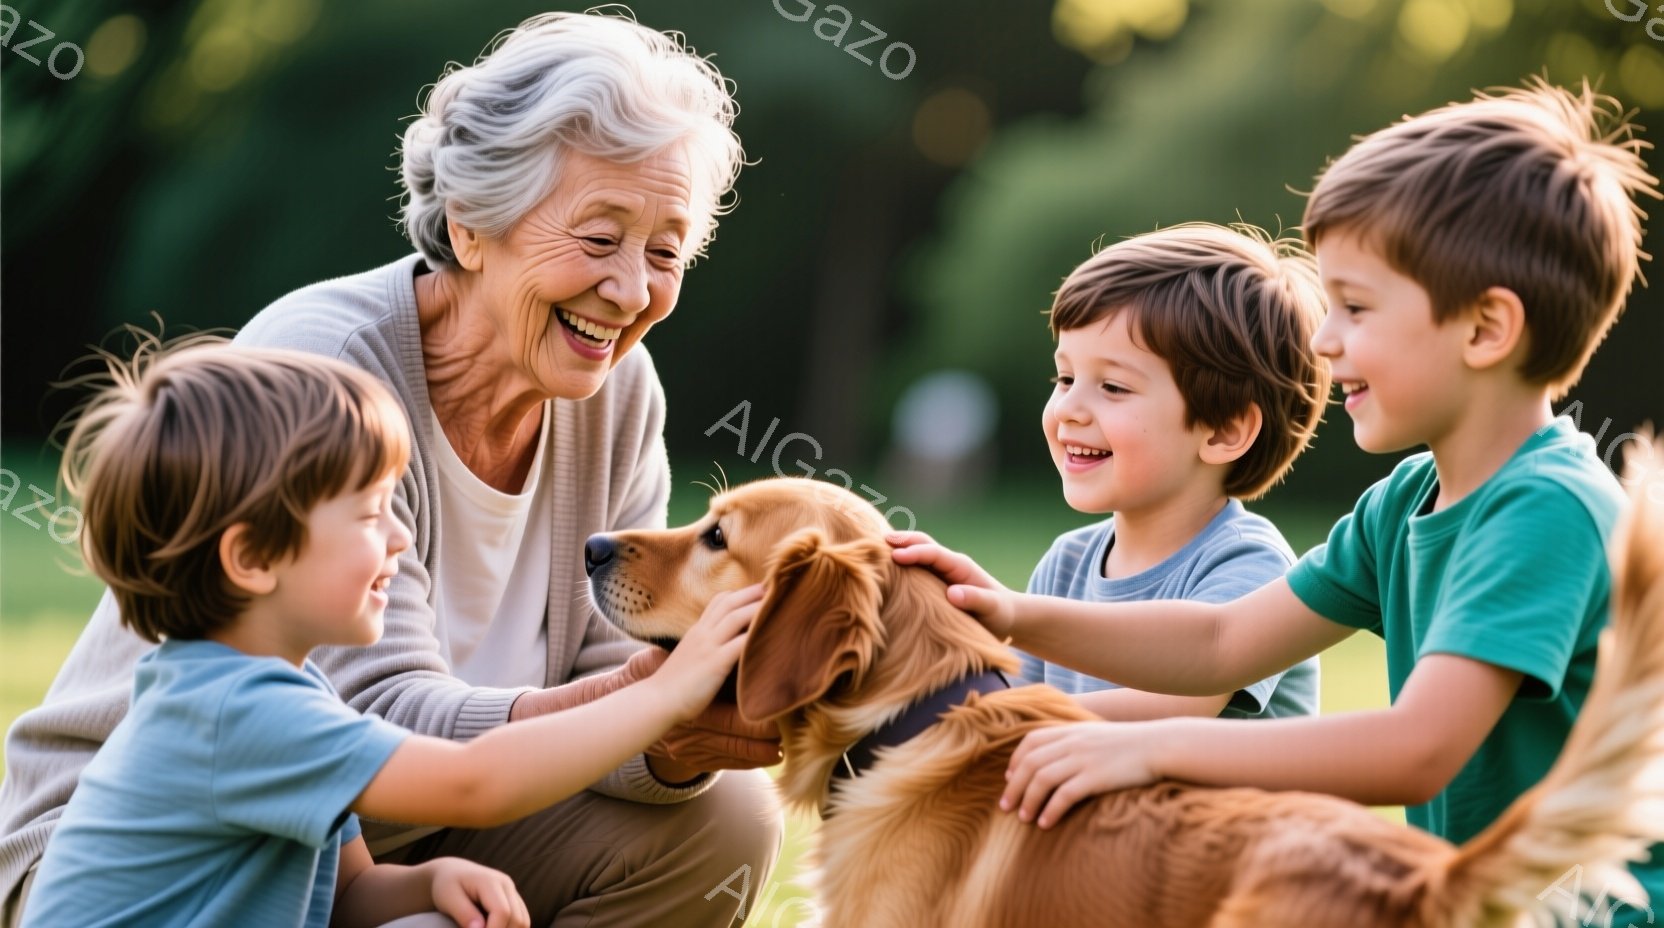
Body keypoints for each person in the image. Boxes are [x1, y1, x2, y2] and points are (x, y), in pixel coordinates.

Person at [1, 13, 781, 927]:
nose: (631, 290)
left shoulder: (616, 387)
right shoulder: (327, 378)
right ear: (472, 224)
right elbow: (414, 738)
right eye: (600, 237)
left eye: (664, 251)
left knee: (721, 820)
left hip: (372, 833)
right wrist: (666, 695)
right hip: (172, 873)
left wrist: (688, 723)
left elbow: (615, 669)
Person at [893, 81, 1662, 923]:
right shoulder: (1405, 500)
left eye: (1357, 307)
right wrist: (1010, 613)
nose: (1326, 341)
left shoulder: (1545, 506)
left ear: (1486, 329)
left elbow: (1417, 751)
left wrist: (1148, 746)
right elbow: (1224, 640)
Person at [21, 343, 759, 928]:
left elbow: (347, 897)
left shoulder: (281, 690)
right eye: (372, 514)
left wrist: (428, 880)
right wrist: (665, 693)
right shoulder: (232, 711)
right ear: (251, 558)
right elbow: (480, 782)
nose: (403, 537)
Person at [986, 222, 1328, 721]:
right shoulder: (1065, 565)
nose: (1069, 409)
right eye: (1065, 377)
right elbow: (1007, 707)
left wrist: (994, 721)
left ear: (1222, 431)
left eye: (1114, 387)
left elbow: (1184, 701)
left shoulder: (1248, 565)